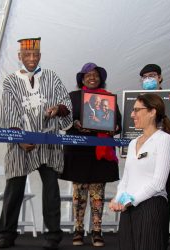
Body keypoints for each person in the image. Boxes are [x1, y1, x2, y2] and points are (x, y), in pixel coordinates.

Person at [0, 37, 72, 250]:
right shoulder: (10, 81)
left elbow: (66, 103)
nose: (31, 58)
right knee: (14, 189)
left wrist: (58, 109)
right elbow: (9, 112)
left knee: (51, 190)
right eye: (26, 55)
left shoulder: (52, 77)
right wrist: (19, 139)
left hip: (47, 141)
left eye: (35, 55)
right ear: (19, 57)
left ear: (40, 56)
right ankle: (7, 235)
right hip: (22, 142)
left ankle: (53, 236)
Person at [60, 62, 121, 247]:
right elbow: (64, 121)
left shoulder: (109, 98)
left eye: (95, 74)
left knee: (97, 194)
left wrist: (115, 128)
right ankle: (78, 230)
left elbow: (118, 123)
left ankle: (97, 231)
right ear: (82, 79)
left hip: (100, 155)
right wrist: (75, 123)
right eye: (88, 75)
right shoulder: (73, 97)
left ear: (101, 78)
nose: (92, 77)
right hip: (78, 153)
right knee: (79, 193)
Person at [109, 93, 170, 250]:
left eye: (137, 110)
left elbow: (158, 183)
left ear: (152, 111)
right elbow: (126, 179)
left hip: (151, 207)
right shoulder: (133, 142)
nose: (132, 114)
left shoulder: (164, 140)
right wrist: (118, 199)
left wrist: (129, 201)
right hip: (129, 209)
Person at [140, 63, 170, 245]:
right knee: (140, 196)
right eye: (145, 77)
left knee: (162, 197)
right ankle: (142, 236)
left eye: (152, 75)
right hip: (142, 157)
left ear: (160, 77)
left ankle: (161, 239)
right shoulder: (137, 99)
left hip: (164, 157)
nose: (148, 79)